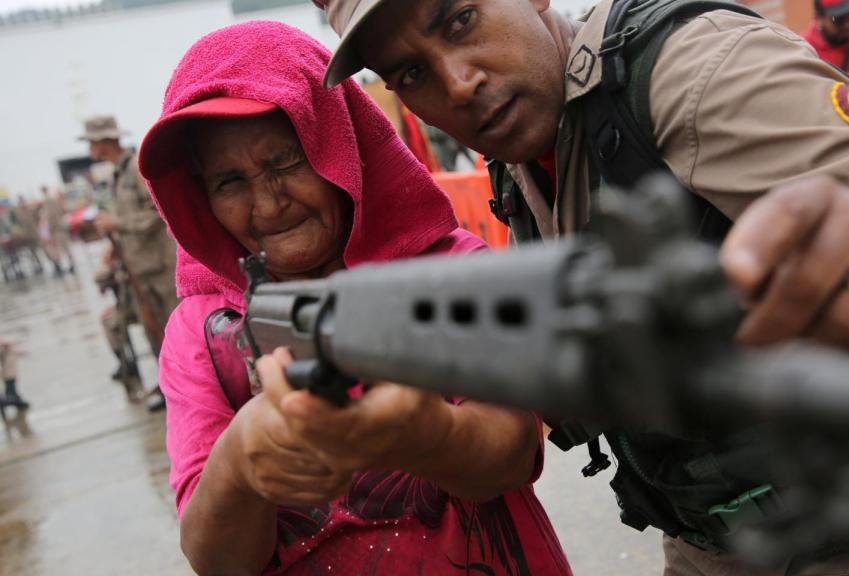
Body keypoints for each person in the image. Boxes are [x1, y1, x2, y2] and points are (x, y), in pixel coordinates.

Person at [318, 0, 849, 574]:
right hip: (712, 542)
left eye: (459, 19)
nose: (458, 83)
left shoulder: (688, 68)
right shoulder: (522, 157)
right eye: (410, 72)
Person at [137, 21, 570, 576]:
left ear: (341, 147)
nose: (268, 207)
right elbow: (216, 560)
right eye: (229, 183)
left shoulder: (448, 271)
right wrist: (242, 461)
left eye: (284, 163)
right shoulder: (200, 332)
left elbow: (513, 453)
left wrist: (425, 434)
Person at [82, 115, 177, 413]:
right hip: (139, 268)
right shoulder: (118, 175)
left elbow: (157, 213)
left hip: (159, 266)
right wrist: (116, 247)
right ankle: (169, 387)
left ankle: (188, 386)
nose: (90, 148)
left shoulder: (136, 170)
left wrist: (117, 222)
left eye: (92, 142)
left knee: (175, 329)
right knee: (154, 330)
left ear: (104, 142)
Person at [38, 186, 75, 276]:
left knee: (62, 248)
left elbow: (51, 217)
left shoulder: (48, 202)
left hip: (57, 229)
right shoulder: (52, 201)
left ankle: (68, 265)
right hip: (57, 229)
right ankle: (66, 265)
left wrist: (49, 229)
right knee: (61, 248)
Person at [0, 337, 28, 413]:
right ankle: (20, 404)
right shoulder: (3, 353)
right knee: (10, 392)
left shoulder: (11, 351)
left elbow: (21, 353)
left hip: (11, 375)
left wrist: (8, 345)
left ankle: (21, 404)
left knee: (11, 392)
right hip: (6, 376)